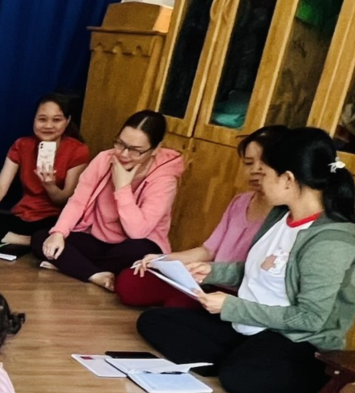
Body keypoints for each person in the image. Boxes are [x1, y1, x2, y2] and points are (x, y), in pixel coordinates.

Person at [136, 127, 355, 393]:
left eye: (265, 174)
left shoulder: (330, 241)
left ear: (288, 179)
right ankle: (240, 359)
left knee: (238, 378)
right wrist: (212, 271)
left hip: (295, 338)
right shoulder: (280, 215)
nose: (258, 181)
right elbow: (259, 270)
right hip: (249, 325)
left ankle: (302, 376)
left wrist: (232, 307)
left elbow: (310, 318)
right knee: (154, 321)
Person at [117, 125, 287, 308]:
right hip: (207, 279)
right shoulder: (240, 201)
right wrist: (162, 260)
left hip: (237, 294)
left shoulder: (284, 215)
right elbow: (207, 251)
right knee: (130, 281)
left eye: (264, 163)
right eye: (248, 163)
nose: (255, 170)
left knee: (176, 306)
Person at [40, 109, 186, 289]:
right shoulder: (104, 159)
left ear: (155, 149)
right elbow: (78, 201)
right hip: (96, 239)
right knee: (43, 238)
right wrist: (59, 233)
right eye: (120, 144)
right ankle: (96, 275)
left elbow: (138, 232)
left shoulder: (164, 179)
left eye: (135, 150)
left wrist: (122, 187)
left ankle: (73, 266)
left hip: (133, 246)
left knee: (139, 252)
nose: (124, 154)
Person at [0, 94, 92, 252]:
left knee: (65, 234)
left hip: (54, 218)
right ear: (34, 120)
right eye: (42, 119)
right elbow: (1, 187)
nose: (48, 125)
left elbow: (67, 199)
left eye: (56, 120)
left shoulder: (78, 150)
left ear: (68, 121)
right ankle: (32, 242)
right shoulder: (21, 145)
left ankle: (35, 241)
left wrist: (50, 186)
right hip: (24, 215)